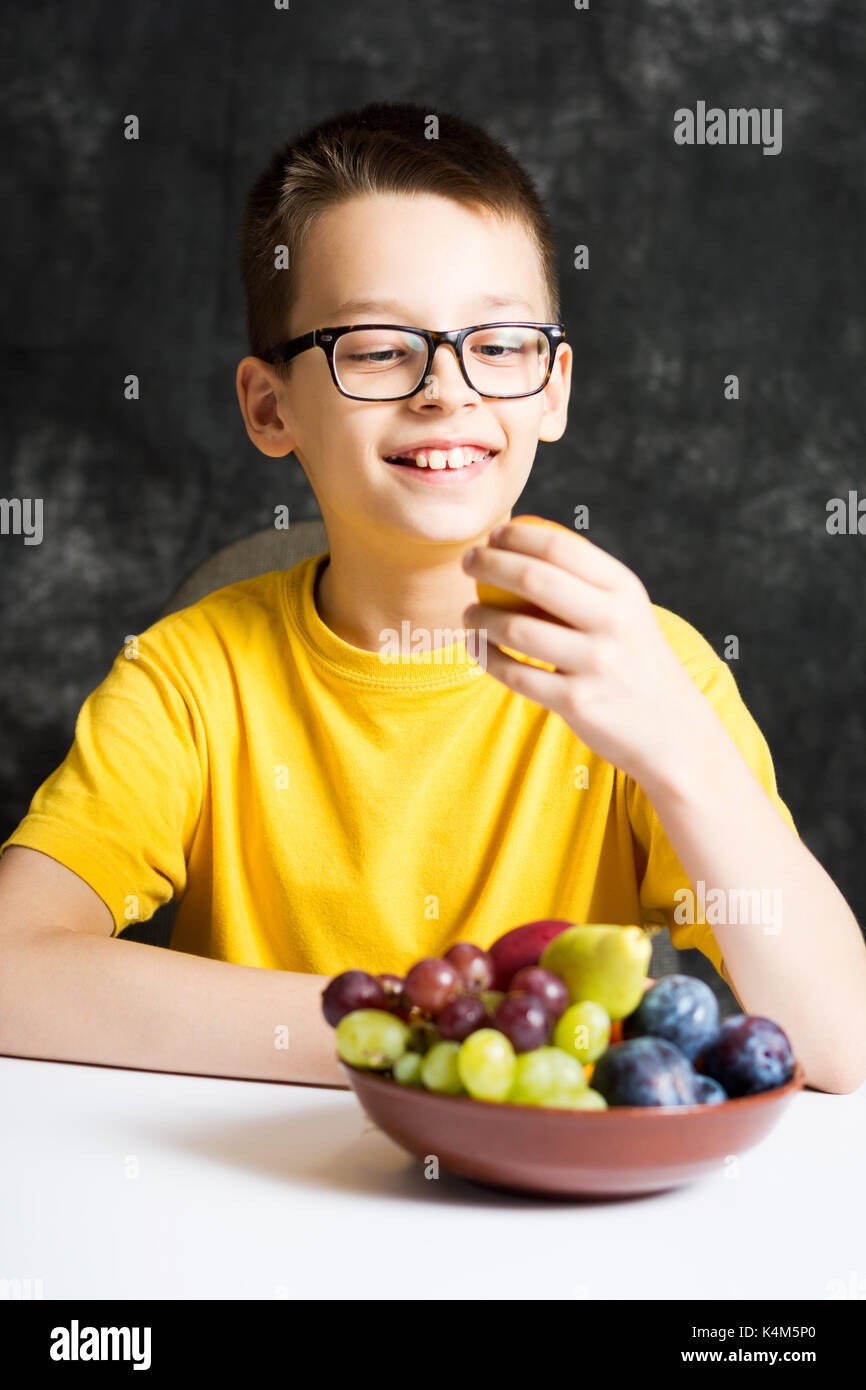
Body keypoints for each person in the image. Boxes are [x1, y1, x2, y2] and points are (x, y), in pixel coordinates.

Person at [1, 103, 864, 1093]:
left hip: (547, 1229)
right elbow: (10, 969)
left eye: (498, 345)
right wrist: (418, 1039)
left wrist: (676, 744)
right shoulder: (188, 679)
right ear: (269, 406)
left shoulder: (643, 670)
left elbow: (837, 1040)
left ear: (553, 388)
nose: (446, 390)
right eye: (375, 347)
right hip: (254, 1211)